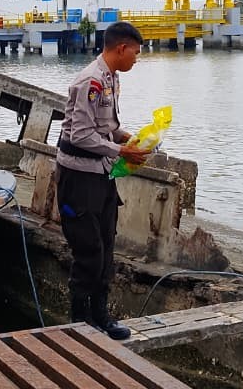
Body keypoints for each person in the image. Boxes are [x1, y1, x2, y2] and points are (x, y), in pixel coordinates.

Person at [55, 21, 151, 340]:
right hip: (78, 176)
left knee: (107, 246)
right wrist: (121, 149)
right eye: (135, 53)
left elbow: (106, 125)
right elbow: (81, 134)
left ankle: (101, 317)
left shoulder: (111, 79)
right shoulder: (90, 81)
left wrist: (133, 139)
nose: (137, 59)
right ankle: (79, 324)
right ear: (121, 48)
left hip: (102, 174)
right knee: (89, 251)